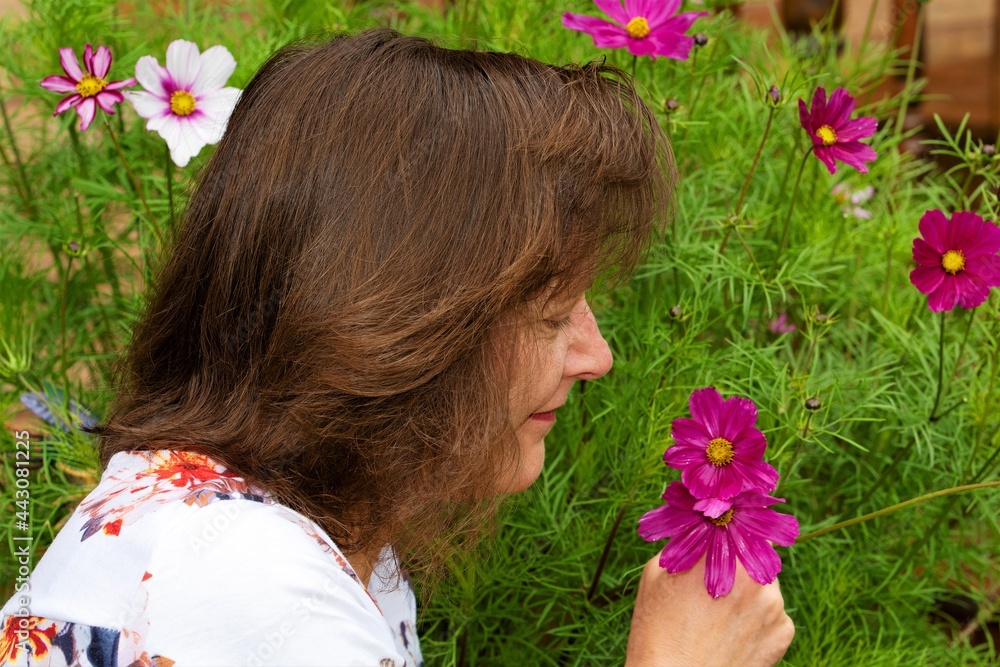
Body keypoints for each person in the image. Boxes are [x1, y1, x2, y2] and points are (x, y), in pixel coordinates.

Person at [0, 29, 793, 666]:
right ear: (403, 321)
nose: (597, 355)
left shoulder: (280, 534)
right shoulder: (247, 586)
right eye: (552, 314)